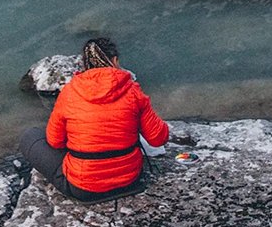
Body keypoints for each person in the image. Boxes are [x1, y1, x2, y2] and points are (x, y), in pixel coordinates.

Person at [18, 37, 170, 201]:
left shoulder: (70, 92)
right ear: (115, 60)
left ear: (84, 65)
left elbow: (55, 141)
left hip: (83, 188)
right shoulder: (133, 91)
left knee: (31, 136)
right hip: (130, 181)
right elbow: (158, 139)